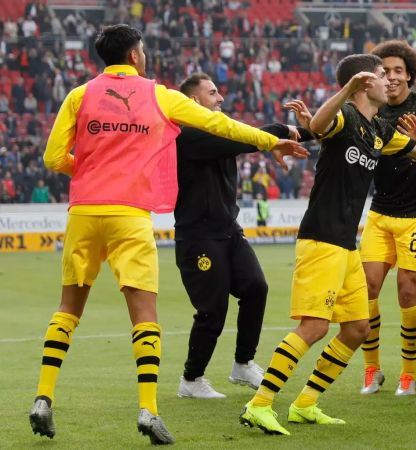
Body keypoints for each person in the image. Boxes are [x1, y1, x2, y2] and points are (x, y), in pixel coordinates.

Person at [30, 24, 305, 445]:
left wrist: (88, 170)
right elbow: (225, 128)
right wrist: (272, 141)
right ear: (136, 55)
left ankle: (43, 398)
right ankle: (149, 411)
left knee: (68, 308)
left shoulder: (78, 95)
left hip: (84, 211)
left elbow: (52, 158)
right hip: (129, 215)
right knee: (144, 315)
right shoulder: (159, 95)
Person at [239, 53, 416, 435]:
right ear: (362, 83)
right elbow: (321, 124)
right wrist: (345, 90)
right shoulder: (344, 118)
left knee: (357, 327)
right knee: (313, 327)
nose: (388, 81)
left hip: (346, 245)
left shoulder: (379, 130)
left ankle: (305, 403)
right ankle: (259, 404)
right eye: (380, 75)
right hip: (320, 240)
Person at [173, 73, 309, 400]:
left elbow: (246, 138)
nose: (220, 98)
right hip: (198, 237)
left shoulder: (219, 131)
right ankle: (191, 380)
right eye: (213, 93)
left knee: (256, 287)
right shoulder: (187, 136)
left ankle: (243, 363)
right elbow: (245, 139)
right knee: (213, 310)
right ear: (193, 102)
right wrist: (280, 133)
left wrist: (309, 130)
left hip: (228, 231)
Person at [357, 40, 416, 396]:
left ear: (410, 74)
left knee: (407, 290)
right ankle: (372, 370)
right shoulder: (370, 110)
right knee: (367, 290)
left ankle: (408, 375)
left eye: (399, 71)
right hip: (381, 211)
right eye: (385, 72)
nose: (392, 77)